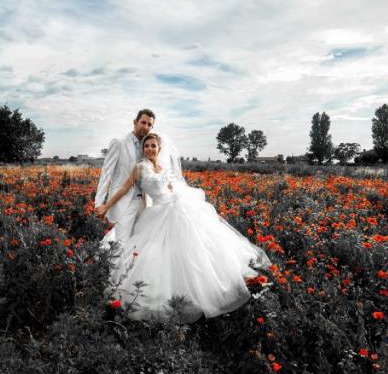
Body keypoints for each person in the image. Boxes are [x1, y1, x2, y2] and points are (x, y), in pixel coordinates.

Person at [95, 132, 272, 323]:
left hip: (177, 206)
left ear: (159, 149)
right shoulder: (139, 168)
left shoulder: (163, 167)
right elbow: (124, 189)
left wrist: (179, 196)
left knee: (194, 248)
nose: (150, 149)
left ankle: (204, 289)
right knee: (157, 254)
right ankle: (159, 297)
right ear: (143, 149)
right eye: (147, 146)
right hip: (159, 212)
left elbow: (171, 187)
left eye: (153, 146)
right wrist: (106, 205)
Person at [95, 109, 156, 250]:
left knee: (138, 244)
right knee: (121, 244)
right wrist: (99, 203)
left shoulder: (148, 146)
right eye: (143, 122)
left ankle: (129, 272)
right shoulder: (119, 142)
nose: (146, 127)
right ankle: (115, 272)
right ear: (135, 122)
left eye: (149, 124)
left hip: (145, 203)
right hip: (123, 202)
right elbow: (106, 174)